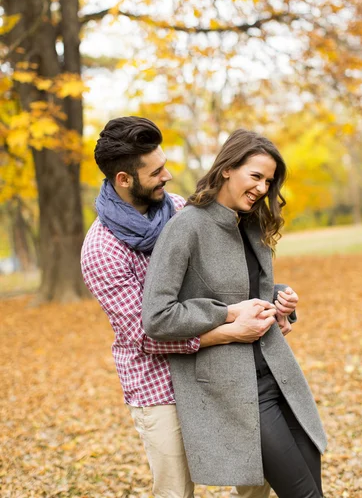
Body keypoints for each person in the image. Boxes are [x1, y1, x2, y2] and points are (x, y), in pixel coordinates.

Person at [81, 117, 300, 498]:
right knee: (176, 490)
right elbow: (144, 335)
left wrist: (271, 303)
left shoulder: (182, 210)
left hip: (217, 371)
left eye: (164, 164)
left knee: (256, 477)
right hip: (158, 386)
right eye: (156, 171)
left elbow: (225, 285)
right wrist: (232, 327)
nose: (168, 175)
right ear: (123, 179)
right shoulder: (102, 250)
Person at [142, 129, 327, 498]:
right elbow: (157, 317)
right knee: (302, 494)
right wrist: (227, 315)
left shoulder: (252, 223)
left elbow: (248, 292)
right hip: (238, 390)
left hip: (280, 374)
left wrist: (279, 303)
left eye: (268, 181)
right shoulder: (186, 227)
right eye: (255, 176)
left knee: (312, 483)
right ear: (227, 168)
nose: (262, 188)